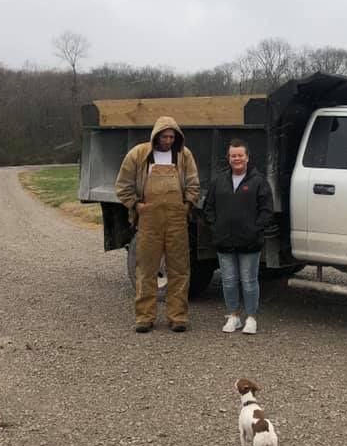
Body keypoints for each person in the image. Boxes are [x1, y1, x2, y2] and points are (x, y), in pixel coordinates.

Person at [115, 117, 200, 333]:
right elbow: (123, 185)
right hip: (149, 220)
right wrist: (136, 205)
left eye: (172, 137)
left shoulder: (184, 155)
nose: (168, 141)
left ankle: (178, 316)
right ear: (156, 135)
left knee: (180, 269)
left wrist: (187, 206)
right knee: (146, 269)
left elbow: (193, 184)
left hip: (176, 220)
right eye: (164, 136)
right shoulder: (139, 154)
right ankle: (144, 317)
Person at [203, 139, 274, 335]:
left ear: (247, 157)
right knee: (228, 280)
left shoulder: (259, 182)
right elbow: (208, 207)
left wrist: (254, 230)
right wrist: (216, 227)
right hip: (224, 241)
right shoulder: (219, 181)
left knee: (249, 280)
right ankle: (233, 316)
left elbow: (267, 211)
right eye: (233, 155)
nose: (237, 159)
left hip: (249, 243)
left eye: (240, 155)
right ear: (228, 158)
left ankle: (251, 317)